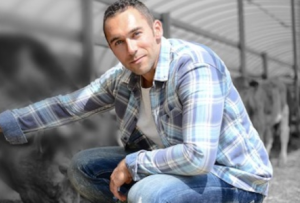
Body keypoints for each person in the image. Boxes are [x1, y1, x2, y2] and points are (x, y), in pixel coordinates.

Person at [0, 0, 272, 202]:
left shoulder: (193, 66)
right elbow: (69, 106)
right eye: (118, 42)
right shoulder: (122, 78)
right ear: (111, 47)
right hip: (176, 166)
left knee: (147, 193)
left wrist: (133, 164)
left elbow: (198, 157)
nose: (130, 49)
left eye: (136, 34)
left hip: (233, 179)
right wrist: (7, 122)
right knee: (83, 167)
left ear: (156, 29)